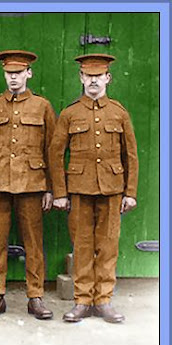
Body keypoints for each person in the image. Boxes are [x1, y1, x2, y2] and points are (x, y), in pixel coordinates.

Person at [49, 53, 138, 323]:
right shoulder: (70, 113)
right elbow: (55, 154)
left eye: (98, 77)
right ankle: (82, 300)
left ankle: (104, 301)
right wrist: (61, 193)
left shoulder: (119, 113)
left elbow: (130, 155)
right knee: (83, 246)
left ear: (107, 78)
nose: (93, 82)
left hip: (112, 189)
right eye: (88, 77)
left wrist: (130, 192)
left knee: (108, 246)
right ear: (81, 78)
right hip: (79, 189)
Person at [0, 50, 56, 320]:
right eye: (9, 73)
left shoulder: (42, 106)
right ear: (4, 74)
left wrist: (50, 188)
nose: (14, 78)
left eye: (19, 73)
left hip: (32, 185)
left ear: (28, 74)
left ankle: (35, 297)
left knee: (33, 243)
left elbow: (51, 151)